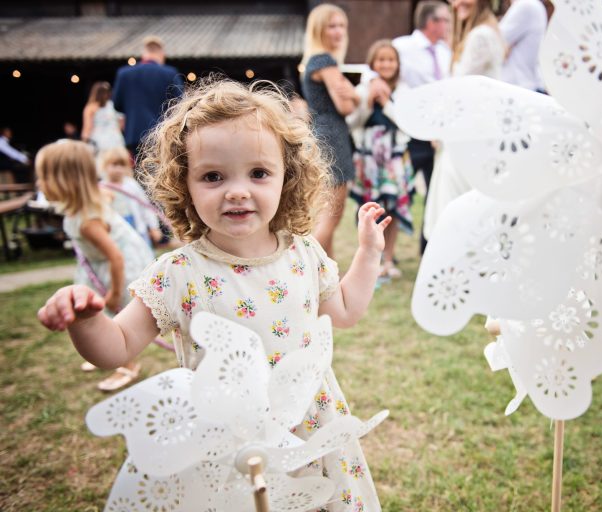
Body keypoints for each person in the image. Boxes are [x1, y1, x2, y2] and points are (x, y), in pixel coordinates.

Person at [37, 78, 390, 509]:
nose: (237, 190)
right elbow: (117, 347)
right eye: (213, 176)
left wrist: (369, 254)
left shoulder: (304, 253)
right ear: (184, 185)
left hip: (309, 428)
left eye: (258, 173)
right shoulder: (178, 273)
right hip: (224, 443)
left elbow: (347, 310)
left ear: (287, 177)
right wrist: (86, 320)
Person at [34, 140, 154, 391]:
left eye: (43, 177)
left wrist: (113, 294)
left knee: (114, 313)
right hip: (101, 266)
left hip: (118, 268)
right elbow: (106, 195)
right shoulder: (84, 205)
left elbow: (116, 258)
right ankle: (105, 350)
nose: (39, 184)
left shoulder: (88, 221)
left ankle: (127, 365)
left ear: (64, 181)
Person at [422, 0, 505, 241]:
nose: (457, 4)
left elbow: (459, 88)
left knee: (456, 202)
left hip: (469, 134)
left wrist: (439, 127)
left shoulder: (480, 36)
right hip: (471, 130)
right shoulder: (484, 32)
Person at [301, 4, 369, 259]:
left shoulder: (313, 61)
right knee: (331, 216)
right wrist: (355, 94)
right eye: (332, 26)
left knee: (324, 214)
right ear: (319, 29)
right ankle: (305, 267)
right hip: (333, 137)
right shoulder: (325, 61)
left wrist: (350, 94)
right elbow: (345, 105)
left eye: (342, 25)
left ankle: (326, 276)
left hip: (322, 134)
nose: (339, 31)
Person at [348, 40, 413, 279]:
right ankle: (368, 259)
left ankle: (389, 259)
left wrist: (386, 103)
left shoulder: (403, 92)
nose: (386, 64)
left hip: (393, 159)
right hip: (368, 161)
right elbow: (352, 122)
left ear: (397, 64)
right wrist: (368, 102)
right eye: (381, 60)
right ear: (373, 63)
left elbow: (406, 123)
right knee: (368, 210)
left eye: (391, 60)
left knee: (392, 208)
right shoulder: (363, 89)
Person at [392, 0, 452, 254]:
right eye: (446, 20)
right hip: (411, 133)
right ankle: (386, 252)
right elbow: (377, 73)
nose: (449, 25)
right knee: (397, 191)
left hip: (439, 135)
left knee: (436, 192)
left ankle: (429, 248)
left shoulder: (446, 52)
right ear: (432, 22)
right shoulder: (402, 47)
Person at [112, 36, 184, 157]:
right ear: (161, 54)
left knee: (139, 173)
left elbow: (117, 104)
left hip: (134, 135)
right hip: (162, 135)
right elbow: (181, 104)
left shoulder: (124, 74)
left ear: (144, 53)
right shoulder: (170, 73)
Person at [98, 146, 162, 247]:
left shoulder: (131, 185)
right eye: (114, 165)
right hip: (116, 230)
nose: (118, 169)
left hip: (137, 227)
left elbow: (145, 206)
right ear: (105, 166)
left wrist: (154, 227)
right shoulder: (102, 188)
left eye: (122, 165)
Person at [498, 0, 547, 91]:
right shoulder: (532, 5)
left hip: (519, 88)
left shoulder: (526, 5)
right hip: (524, 86)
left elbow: (493, 43)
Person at [81, 81, 126, 155]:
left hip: (98, 142)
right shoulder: (114, 106)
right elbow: (122, 125)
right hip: (116, 140)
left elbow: (87, 129)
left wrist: (84, 143)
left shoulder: (90, 108)